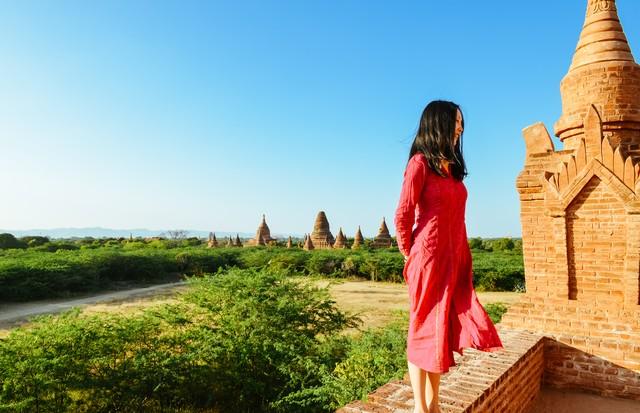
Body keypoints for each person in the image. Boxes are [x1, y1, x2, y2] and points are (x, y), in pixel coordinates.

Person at [394, 100, 503, 413]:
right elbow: (402, 214)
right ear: (438, 123)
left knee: (440, 327)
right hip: (427, 258)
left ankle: (435, 403)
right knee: (421, 327)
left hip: (454, 255)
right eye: (455, 121)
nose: (460, 128)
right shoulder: (419, 164)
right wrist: (411, 255)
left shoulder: (451, 169)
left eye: (461, 122)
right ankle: (419, 406)